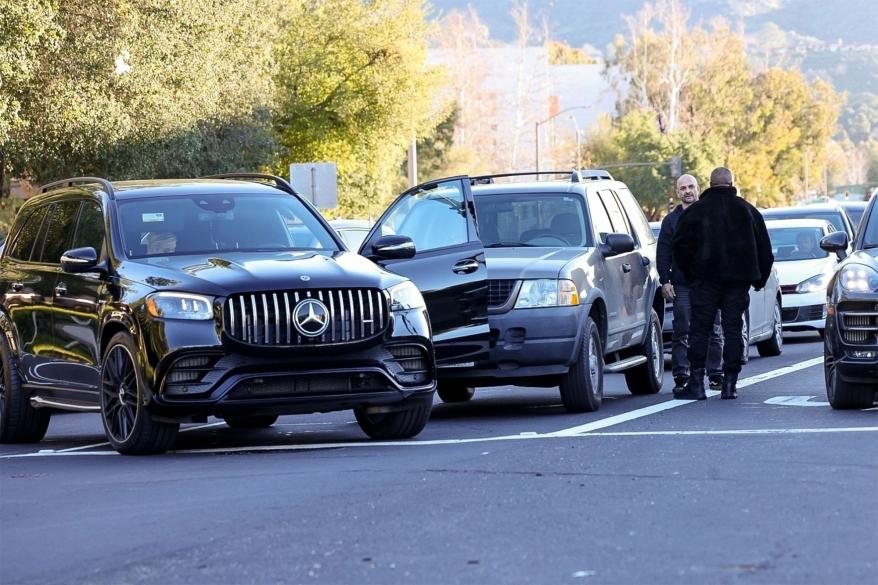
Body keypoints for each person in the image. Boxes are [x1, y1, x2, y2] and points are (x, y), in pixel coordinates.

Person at [671, 167, 774, 400]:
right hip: (737, 282)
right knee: (733, 330)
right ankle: (729, 383)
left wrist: (690, 274)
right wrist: (758, 279)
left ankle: (696, 383)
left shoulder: (695, 212)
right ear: (731, 183)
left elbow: (680, 247)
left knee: (699, 331)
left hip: (705, 281)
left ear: (709, 184)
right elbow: (764, 250)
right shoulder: (747, 211)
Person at [657, 174, 724, 394]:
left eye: (691, 187)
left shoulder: (712, 214)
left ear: (698, 188)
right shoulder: (670, 221)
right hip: (682, 284)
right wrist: (665, 280)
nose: (687, 191)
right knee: (682, 329)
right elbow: (664, 251)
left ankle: (715, 374)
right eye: (683, 188)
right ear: (678, 192)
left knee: (713, 329)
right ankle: (682, 376)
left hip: (709, 283)